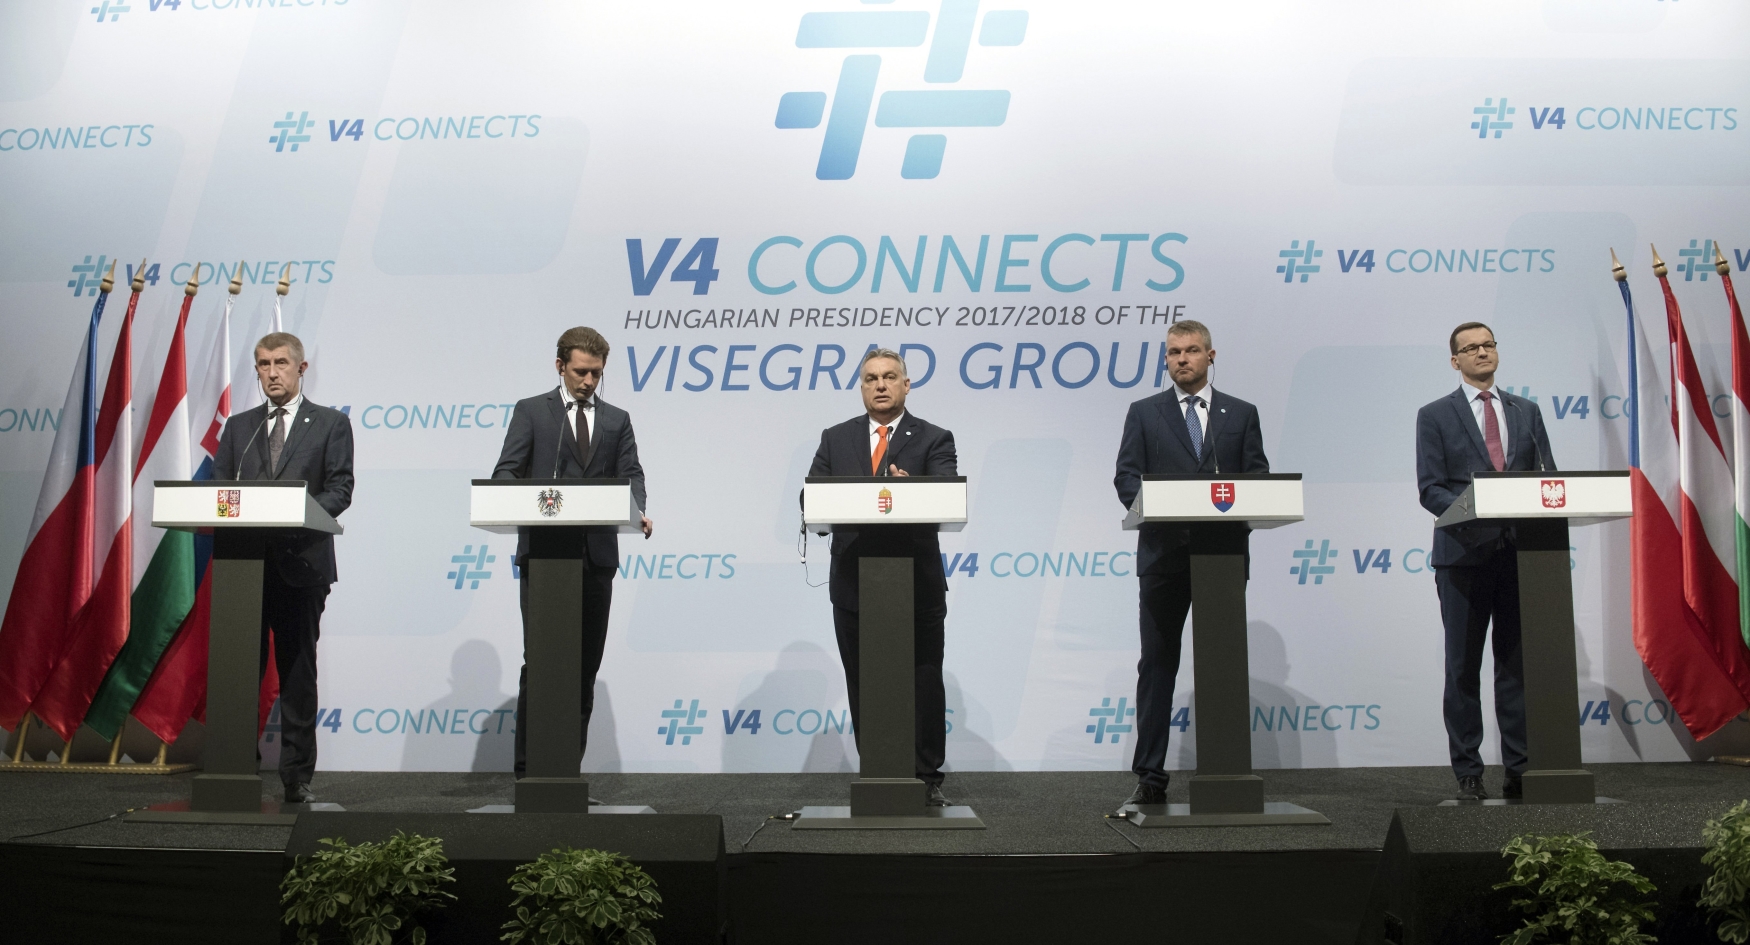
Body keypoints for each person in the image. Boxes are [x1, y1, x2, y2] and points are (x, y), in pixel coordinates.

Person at [1111, 320, 1267, 812]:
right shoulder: (1144, 412)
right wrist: (1155, 507)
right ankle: (1150, 777)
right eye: (1174, 352)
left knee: (1221, 664)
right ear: (1166, 359)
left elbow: (1258, 477)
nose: (1182, 359)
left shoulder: (1240, 414)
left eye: (1192, 350)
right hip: (1164, 556)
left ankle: (1226, 772)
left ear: (1210, 356)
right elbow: (1126, 477)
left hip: (1222, 556)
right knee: (1157, 666)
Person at [493, 326, 652, 781]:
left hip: (596, 559)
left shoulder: (617, 420)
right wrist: (517, 499)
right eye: (581, 372)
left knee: (584, 669)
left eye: (596, 373)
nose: (588, 381)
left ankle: (566, 776)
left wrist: (637, 508)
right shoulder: (532, 412)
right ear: (560, 366)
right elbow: (506, 472)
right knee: (542, 664)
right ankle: (529, 775)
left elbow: (632, 475)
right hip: (546, 557)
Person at [809, 348, 958, 806]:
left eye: (890, 377)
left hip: (916, 583)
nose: (880, 385)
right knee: (863, 679)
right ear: (861, 387)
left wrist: (912, 489)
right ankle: (876, 768)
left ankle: (926, 776)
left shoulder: (934, 438)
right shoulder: (836, 438)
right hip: (854, 583)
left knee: (923, 680)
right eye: (871, 378)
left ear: (906, 385)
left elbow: (947, 494)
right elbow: (810, 495)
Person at [213, 331, 354, 803]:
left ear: (300, 368)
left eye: (280, 363)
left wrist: (296, 514)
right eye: (262, 364)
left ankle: (296, 777)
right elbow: (219, 492)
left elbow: (340, 490)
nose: (271, 373)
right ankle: (235, 769)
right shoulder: (240, 427)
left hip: (301, 564)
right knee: (239, 670)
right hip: (243, 566)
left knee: (296, 671)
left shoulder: (331, 424)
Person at [1416, 322, 1554, 802]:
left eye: (1488, 345)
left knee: (1516, 667)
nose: (1481, 352)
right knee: (1463, 667)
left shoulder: (1526, 411)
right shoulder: (1435, 414)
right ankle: (1468, 772)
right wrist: (1477, 511)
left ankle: (1520, 767)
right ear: (1455, 360)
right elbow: (1430, 488)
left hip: (1520, 555)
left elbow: (1547, 476)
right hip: (1463, 556)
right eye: (1471, 348)